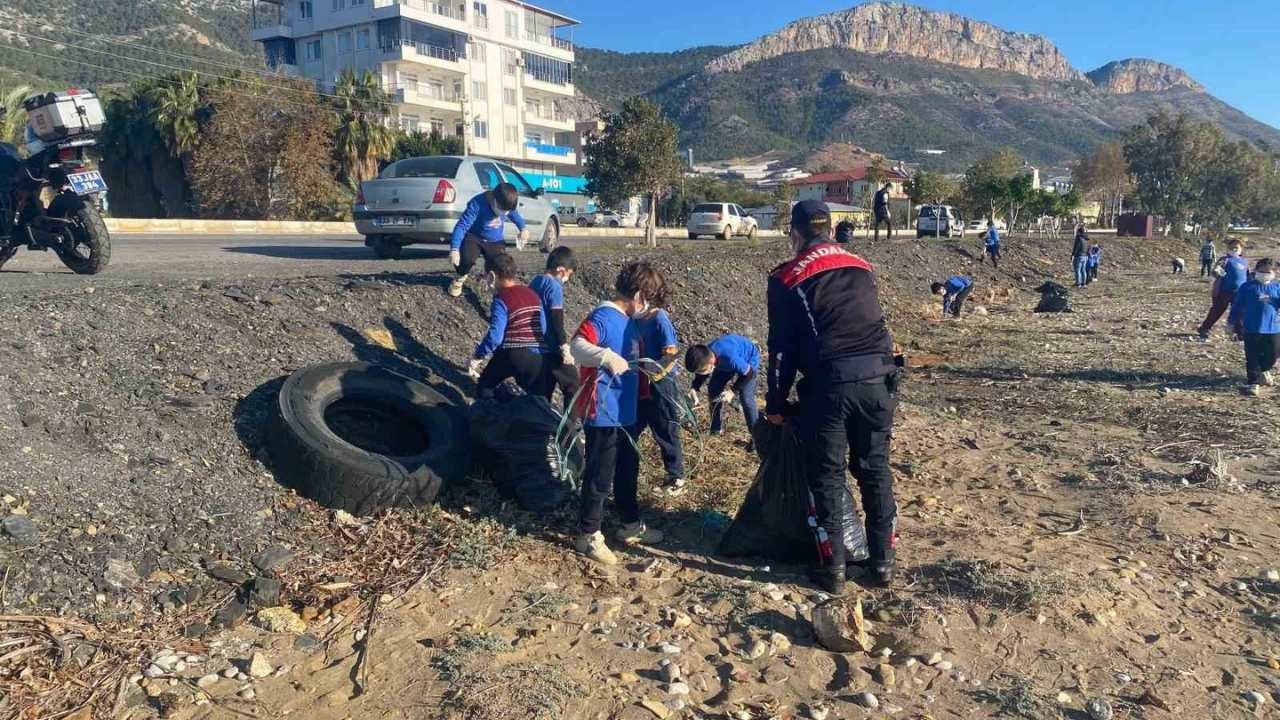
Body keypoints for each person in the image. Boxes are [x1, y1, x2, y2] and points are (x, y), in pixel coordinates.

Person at [765, 200, 900, 592]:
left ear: (795, 233)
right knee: (875, 470)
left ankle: (834, 571)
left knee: (826, 475)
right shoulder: (861, 265)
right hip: (879, 382)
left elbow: (781, 349)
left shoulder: (787, 277)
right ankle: (882, 566)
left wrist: (776, 404)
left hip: (830, 387)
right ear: (831, 227)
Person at [570, 261, 666, 565]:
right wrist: (606, 356)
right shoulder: (603, 316)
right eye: (647, 300)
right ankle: (588, 536)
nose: (647, 307)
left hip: (626, 413)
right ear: (638, 295)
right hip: (603, 412)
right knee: (600, 475)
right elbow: (576, 346)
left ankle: (629, 525)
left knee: (628, 469)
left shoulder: (629, 321)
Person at [629, 284, 687, 495]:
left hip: (660, 385)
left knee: (666, 430)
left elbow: (670, 354)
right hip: (639, 384)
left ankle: (676, 477)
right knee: (631, 428)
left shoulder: (659, 319)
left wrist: (655, 373)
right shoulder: (635, 320)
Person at [469, 253, 548, 397]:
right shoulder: (533, 295)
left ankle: (489, 416)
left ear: (492, 276)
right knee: (534, 399)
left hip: (512, 353)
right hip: (537, 357)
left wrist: (478, 355)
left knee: (485, 386)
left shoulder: (501, 299)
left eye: (486, 278)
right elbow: (542, 327)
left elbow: (495, 336)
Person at [448, 182, 529, 298]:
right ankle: (460, 277)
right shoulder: (477, 203)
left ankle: (497, 287)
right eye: (502, 210)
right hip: (474, 236)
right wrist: (454, 248)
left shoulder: (507, 204)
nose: (504, 213)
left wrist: (523, 228)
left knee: (500, 264)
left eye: (507, 211)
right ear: (494, 199)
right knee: (466, 259)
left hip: (495, 240)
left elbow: (514, 214)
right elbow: (462, 225)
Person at [528, 246, 579, 406]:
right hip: (551, 344)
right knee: (574, 385)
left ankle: (541, 425)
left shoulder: (536, 281)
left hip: (535, 344)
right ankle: (567, 429)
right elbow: (557, 320)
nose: (567, 279)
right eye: (568, 275)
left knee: (543, 390)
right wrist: (564, 347)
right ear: (561, 270)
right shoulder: (555, 287)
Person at [685, 335, 761, 438]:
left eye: (702, 370)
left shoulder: (730, 358)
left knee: (746, 399)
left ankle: (757, 437)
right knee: (714, 389)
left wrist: (733, 391)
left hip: (749, 360)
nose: (701, 373)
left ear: (711, 363)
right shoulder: (705, 355)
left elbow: (750, 374)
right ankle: (716, 430)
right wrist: (694, 387)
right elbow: (702, 372)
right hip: (726, 363)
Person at [1228, 258, 1280, 396]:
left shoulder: (1277, 287)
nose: (1264, 274)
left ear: (1275, 272)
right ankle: (1253, 382)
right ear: (1256, 271)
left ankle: (1264, 370)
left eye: (1267, 272)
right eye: (1261, 271)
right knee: (1252, 356)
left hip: (1273, 328)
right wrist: (1231, 323)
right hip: (1252, 328)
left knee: (1273, 354)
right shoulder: (1247, 287)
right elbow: (1237, 306)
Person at [1198, 239, 1248, 341]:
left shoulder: (1244, 262)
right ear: (1227, 248)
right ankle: (1204, 328)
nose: (1233, 249)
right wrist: (1218, 271)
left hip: (1239, 293)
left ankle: (1239, 332)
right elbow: (1216, 272)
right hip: (1224, 291)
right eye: (1231, 247)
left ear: (1241, 249)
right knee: (1217, 310)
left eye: (1236, 247)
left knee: (1239, 312)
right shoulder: (1225, 260)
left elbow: (1248, 276)